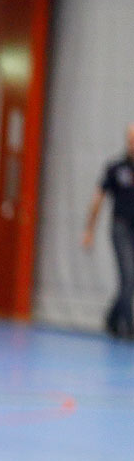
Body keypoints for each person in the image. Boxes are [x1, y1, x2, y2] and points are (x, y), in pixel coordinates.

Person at [80, 122, 134, 340]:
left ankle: (112, 318)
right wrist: (89, 230)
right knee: (128, 277)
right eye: (131, 140)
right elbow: (97, 200)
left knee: (129, 281)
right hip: (120, 227)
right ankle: (128, 326)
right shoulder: (116, 168)